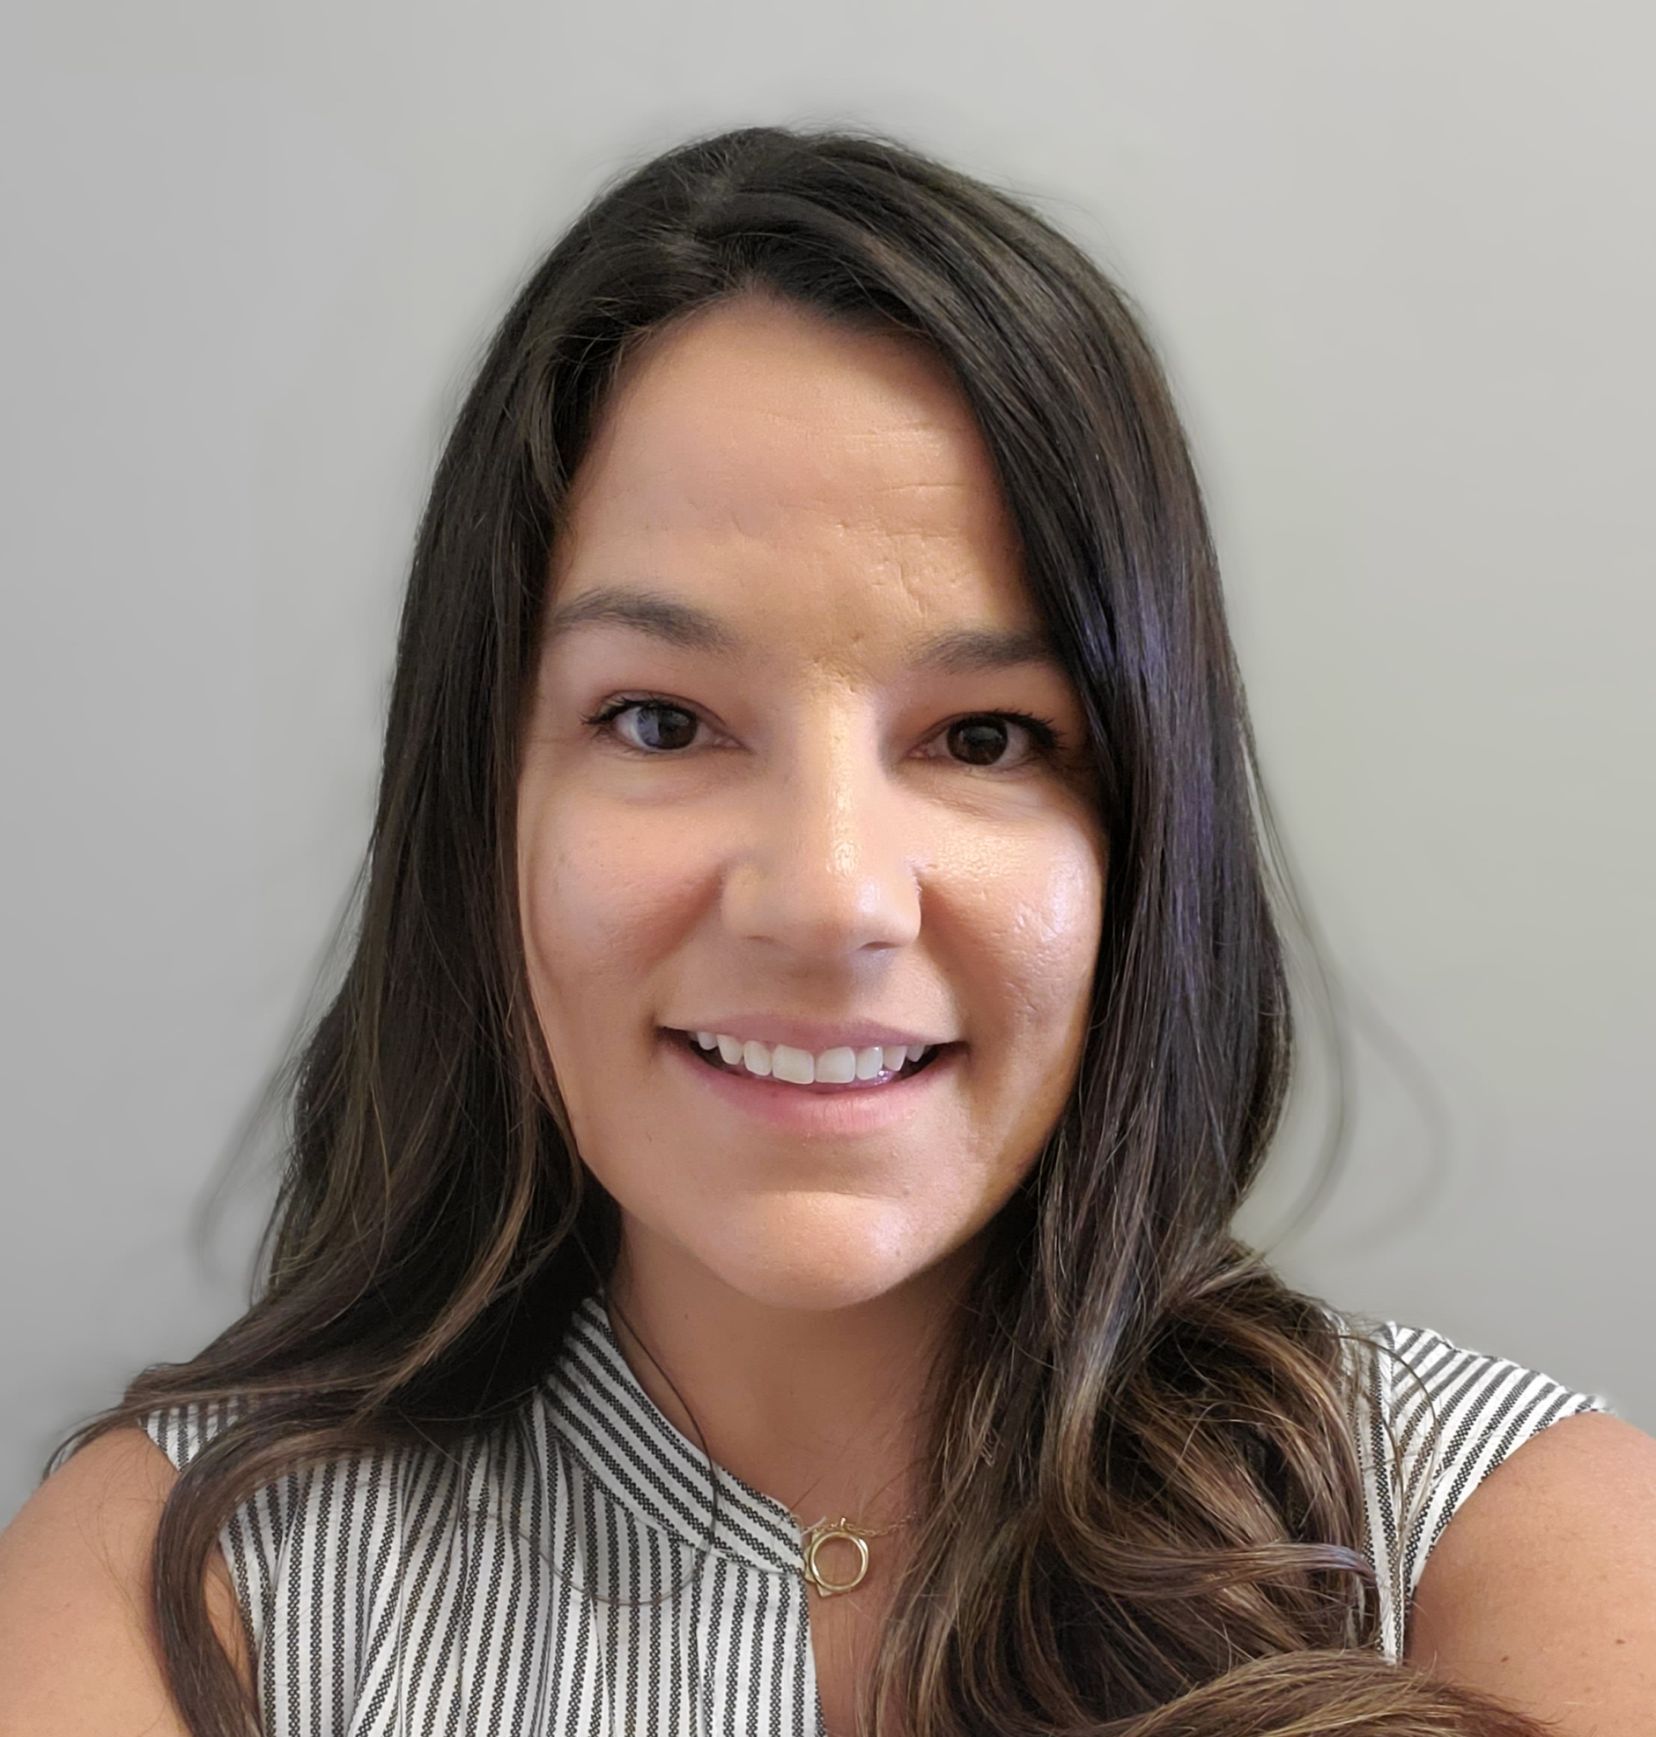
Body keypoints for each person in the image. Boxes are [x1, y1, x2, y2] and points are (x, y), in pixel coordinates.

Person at [0, 123, 1648, 1737]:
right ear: (482, 795)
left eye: (987, 735)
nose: (830, 897)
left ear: (1150, 836)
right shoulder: (174, 1590)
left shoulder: (1508, 1553)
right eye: (659, 721)